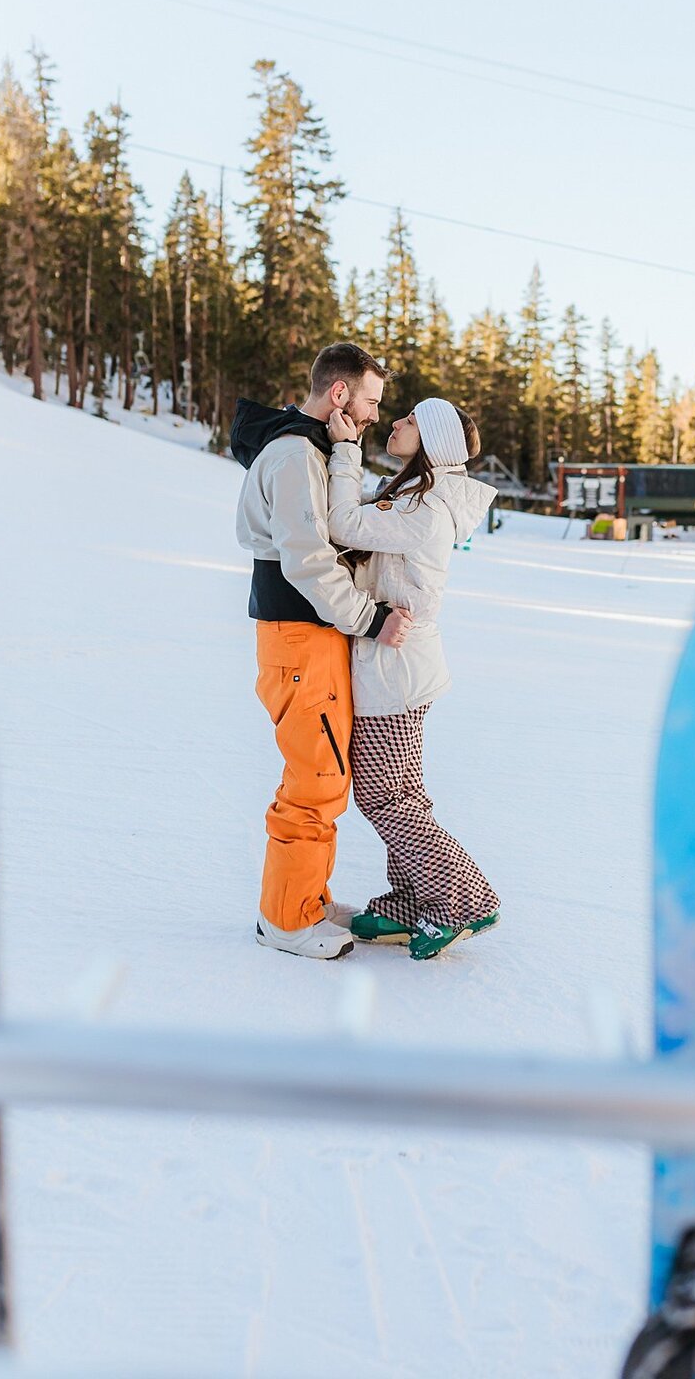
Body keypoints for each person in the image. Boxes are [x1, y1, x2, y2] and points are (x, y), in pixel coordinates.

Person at [231, 343, 412, 961]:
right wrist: (371, 618)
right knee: (314, 777)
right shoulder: (292, 456)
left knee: (326, 772)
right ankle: (287, 919)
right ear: (340, 393)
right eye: (371, 400)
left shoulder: (311, 450)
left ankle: (305, 897)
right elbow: (307, 559)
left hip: (313, 633)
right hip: (298, 633)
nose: (374, 414)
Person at [325, 396, 500, 960]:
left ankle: (463, 903)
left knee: (385, 797)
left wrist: (346, 451)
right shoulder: (411, 496)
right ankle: (409, 901)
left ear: (433, 442)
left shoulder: (424, 508)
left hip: (396, 672)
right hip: (395, 666)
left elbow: (343, 523)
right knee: (401, 795)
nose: (396, 423)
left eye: (410, 420)